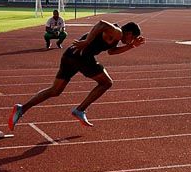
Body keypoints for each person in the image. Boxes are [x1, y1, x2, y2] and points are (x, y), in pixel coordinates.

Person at [10, 20, 144, 129]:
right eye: (133, 38)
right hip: (82, 57)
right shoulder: (118, 32)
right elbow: (101, 23)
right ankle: (80, 110)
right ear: (129, 33)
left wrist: (132, 46)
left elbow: (111, 52)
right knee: (106, 83)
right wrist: (87, 42)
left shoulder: (116, 37)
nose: (131, 41)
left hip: (70, 55)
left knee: (55, 90)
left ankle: (22, 109)